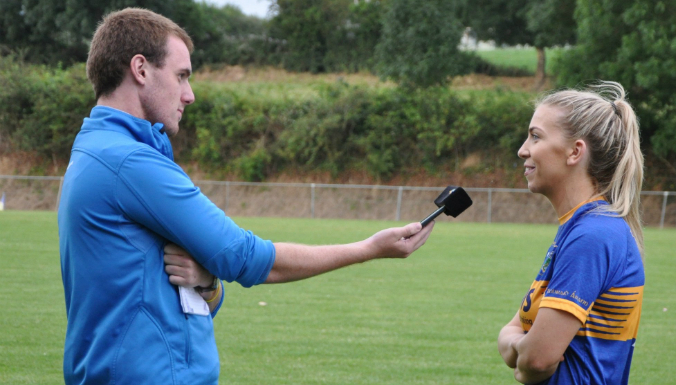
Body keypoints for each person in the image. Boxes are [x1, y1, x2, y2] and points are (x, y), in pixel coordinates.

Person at [57, 8, 433, 385]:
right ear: (140, 69)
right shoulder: (129, 162)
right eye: (181, 76)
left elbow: (156, 294)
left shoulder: (94, 150)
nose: (189, 95)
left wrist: (209, 283)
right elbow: (250, 259)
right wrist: (368, 248)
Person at [497, 81, 645, 385]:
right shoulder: (581, 228)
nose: (522, 149)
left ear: (575, 152)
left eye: (535, 136)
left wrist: (524, 353)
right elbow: (513, 335)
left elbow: (537, 359)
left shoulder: (593, 235)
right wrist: (520, 348)